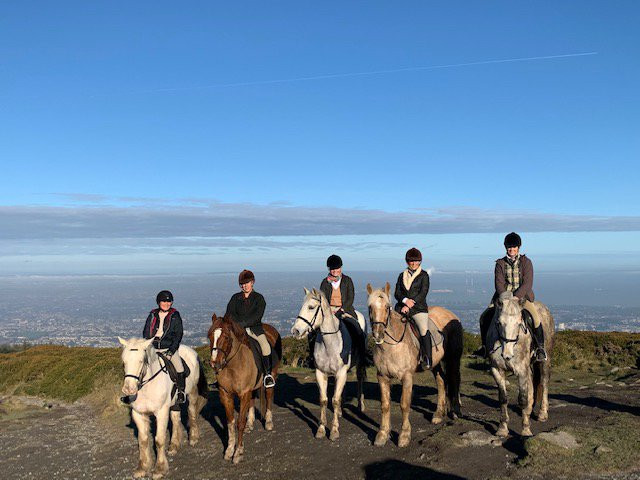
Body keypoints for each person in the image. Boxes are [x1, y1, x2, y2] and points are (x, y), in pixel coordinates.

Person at [477, 232, 547, 362]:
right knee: (485, 317)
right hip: (503, 298)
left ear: (518, 247)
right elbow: (498, 283)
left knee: (535, 318)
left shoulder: (526, 262)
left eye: (514, 247)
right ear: (506, 248)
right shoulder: (500, 263)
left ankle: (540, 348)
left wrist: (517, 297)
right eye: (509, 247)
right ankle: (485, 347)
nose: (512, 249)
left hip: (522, 298)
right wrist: (506, 298)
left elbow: (528, 283)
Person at [225, 270, 275, 388]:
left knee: (265, 346)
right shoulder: (235, 298)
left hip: (254, 330)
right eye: (242, 284)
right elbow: (229, 314)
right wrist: (237, 325)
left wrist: (243, 324)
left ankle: (267, 375)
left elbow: (257, 316)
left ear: (252, 282)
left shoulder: (259, 298)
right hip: (237, 331)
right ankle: (222, 376)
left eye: (246, 283)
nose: (244, 286)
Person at [318, 254, 367, 365]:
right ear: (329, 269)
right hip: (329, 312)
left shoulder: (347, 280)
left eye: (337, 268)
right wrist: (329, 310)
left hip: (345, 310)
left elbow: (351, 297)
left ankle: (360, 354)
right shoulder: (325, 282)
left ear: (341, 268)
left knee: (356, 328)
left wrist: (342, 309)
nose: (335, 271)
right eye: (333, 269)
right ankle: (315, 356)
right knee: (314, 332)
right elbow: (323, 299)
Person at [142, 290, 186, 403]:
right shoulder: (152, 315)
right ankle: (134, 390)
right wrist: (147, 345)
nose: (166, 304)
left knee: (179, 368)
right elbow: (146, 331)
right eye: (164, 301)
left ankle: (181, 392)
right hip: (152, 347)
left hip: (168, 347)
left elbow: (178, 334)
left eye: (169, 302)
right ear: (158, 302)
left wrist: (172, 350)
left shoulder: (175, 315)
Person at [394, 248, 432, 368]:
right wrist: (405, 301)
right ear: (407, 262)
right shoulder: (401, 276)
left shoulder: (424, 275)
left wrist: (410, 304)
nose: (414, 263)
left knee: (423, 329)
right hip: (402, 307)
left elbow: (423, 292)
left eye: (417, 261)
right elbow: (397, 293)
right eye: (412, 261)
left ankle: (427, 358)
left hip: (418, 308)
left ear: (420, 262)